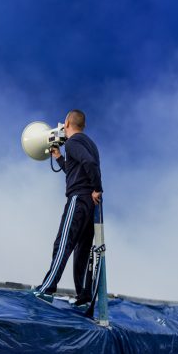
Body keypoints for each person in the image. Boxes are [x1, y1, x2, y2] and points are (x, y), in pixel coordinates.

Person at [33, 109, 103, 306]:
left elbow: (88, 163)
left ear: (67, 123)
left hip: (79, 199)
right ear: (83, 125)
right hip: (92, 204)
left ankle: (47, 288)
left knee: (63, 243)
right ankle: (84, 296)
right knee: (83, 250)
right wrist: (58, 157)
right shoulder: (90, 143)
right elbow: (77, 171)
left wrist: (97, 188)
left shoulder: (73, 143)